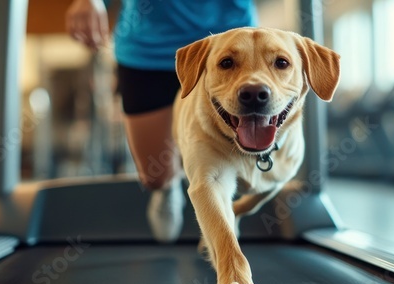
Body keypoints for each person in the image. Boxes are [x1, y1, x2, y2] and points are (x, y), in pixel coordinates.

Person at [66, 0, 257, 242]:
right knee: (156, 176)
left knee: (237, 167)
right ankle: (169, 189)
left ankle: (220, 210)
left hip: (227, 44)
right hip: (150, 50)